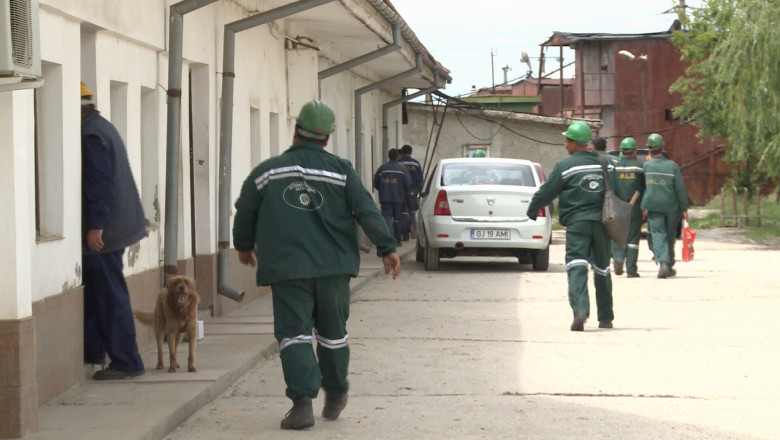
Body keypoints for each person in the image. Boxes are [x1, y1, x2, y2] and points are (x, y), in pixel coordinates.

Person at [232, 100, 401, 430]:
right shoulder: (342, 171)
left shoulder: (267, 172)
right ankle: (336, 393)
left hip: (288, 269)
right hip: (333, 268)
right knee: (333, 334)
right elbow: (366, 209)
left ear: (296, 131)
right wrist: (387, 248)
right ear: (327, 139)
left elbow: (245, 210)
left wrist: (243, 245)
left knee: (294, 334)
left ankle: (302, 406)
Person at [80, 81, 147, 380]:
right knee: (99, 292)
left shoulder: (91, 135)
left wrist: (96, 226)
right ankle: (94, 351)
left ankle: (127, 361)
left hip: (106, 231)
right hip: (116, 226)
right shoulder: (100, 126)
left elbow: (100, 182)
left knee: (109, 295)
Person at [526, 121, 615, 331]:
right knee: (602, 268)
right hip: (603, 224)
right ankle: (605, 317)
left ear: (575, 143)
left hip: (577, 224)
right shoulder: (607, 164)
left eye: (567, 141)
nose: (564, 144)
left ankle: (580, 310)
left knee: (576, 264)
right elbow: (619, 192)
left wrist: (532, 209)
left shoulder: (564, 167)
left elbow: (547, 191)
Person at [641, 133, 689, 278]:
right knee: (669, 235)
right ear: (662, 148)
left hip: (653, 206)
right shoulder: (672, 166)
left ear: (649, 149)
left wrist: (643, 205)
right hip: (672, 207)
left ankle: (663, 262)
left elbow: (643, 187)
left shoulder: (646, 167)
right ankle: (668, 264)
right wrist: (684, 208)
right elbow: (680, 188)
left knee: (657, 234)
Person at [611, 137, 645, 278]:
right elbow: (644, 188)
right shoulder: (640, 167)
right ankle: (631, 270)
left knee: (617, 235)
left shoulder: (614, 167)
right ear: (634, 151)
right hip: (634, 206)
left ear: (622, 151)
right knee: (632, 238)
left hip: (617, 206)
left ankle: (618, 258)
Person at [373, 148, 411, 245]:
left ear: (388, 156)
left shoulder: (382, 168)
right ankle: (397, 240)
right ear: (398, 156)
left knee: (386, 218)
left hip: (385, 198)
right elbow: (408, 184)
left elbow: (375, 182)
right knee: (397, 219)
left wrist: (383, 189)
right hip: (398, 198)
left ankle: (388, 240)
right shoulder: (402, 169)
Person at [398, 144, 423, 241]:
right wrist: (419, 192)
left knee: (403, 212)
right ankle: (413, 227)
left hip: (402, 191)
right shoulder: (416, 163)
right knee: (413, 211)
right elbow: (420, 179)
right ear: (411, 152)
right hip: (414, 190)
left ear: (402, 152)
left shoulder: (399, 163)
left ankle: (405, 234)